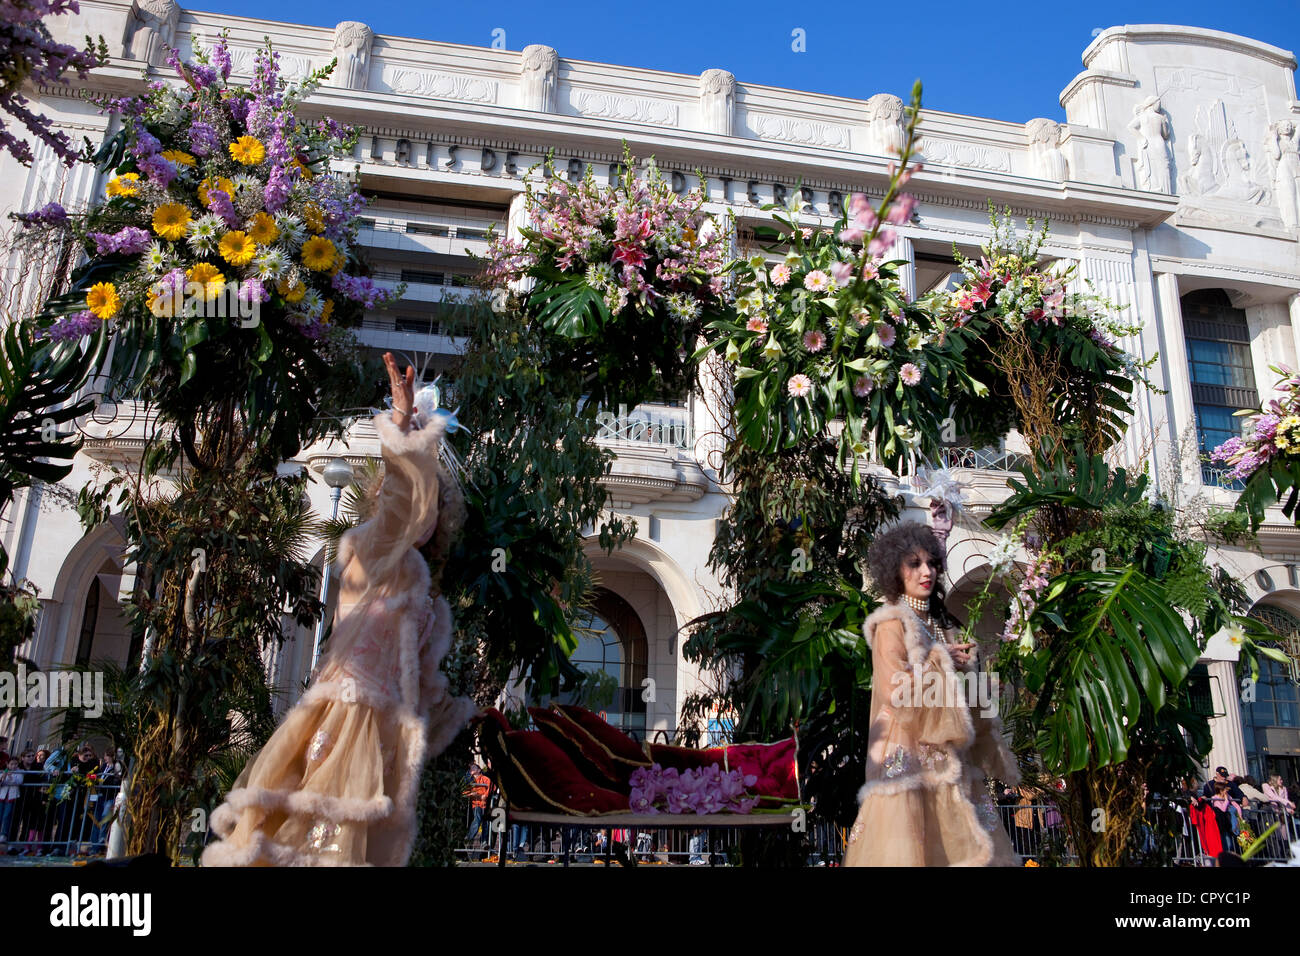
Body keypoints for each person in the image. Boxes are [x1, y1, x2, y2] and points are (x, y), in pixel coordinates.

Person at [202, 353, 477, 867]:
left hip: (384, 746)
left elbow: (421, 688)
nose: (424, 511)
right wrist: (401, 425)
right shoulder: (376, 553)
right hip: (344, 726)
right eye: (420, 499)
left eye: (434, 505)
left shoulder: (426, 594)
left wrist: (464, 715)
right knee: (320, 847)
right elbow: (400, 503)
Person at [843, 519, 1020, 867]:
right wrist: (942, 661)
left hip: (951, 758)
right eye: (914, 563)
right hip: (906, 759)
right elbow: (897, 691)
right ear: (895, 570)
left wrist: (971, 676)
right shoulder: (890, 624)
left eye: (932, 563)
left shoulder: (940, 624)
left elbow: (952, 694)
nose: (927, 571)